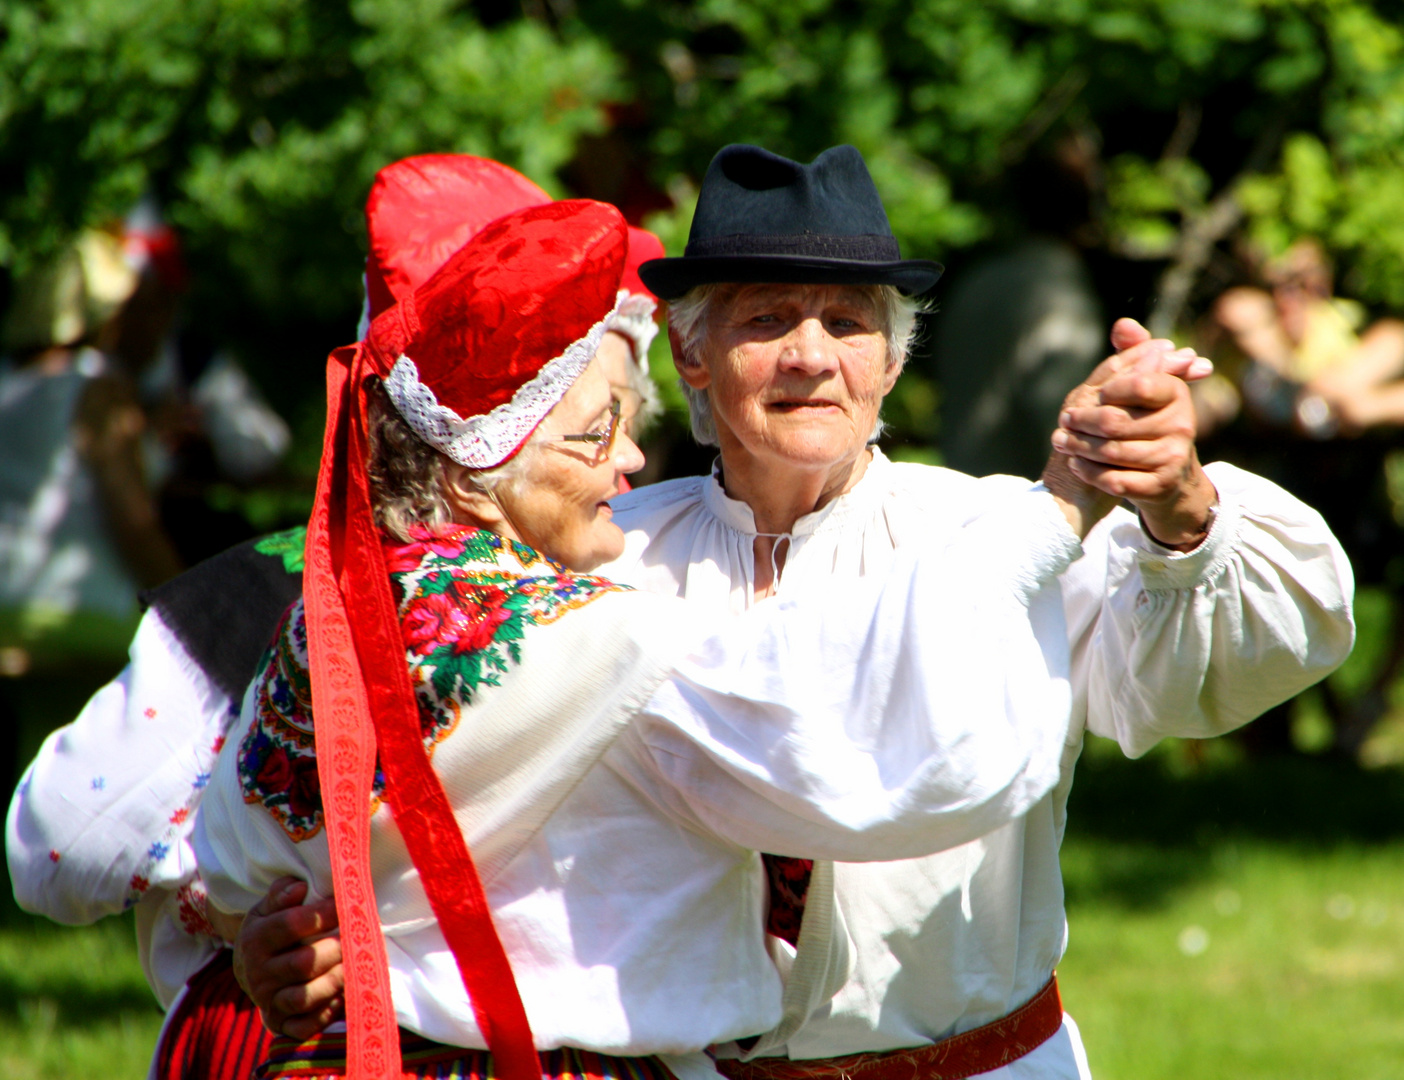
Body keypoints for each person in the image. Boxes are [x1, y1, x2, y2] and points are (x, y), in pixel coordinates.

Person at [240, 145, 1352, 1080]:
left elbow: (1224, 665)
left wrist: (1180, 508)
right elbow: (455, 798)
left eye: (846, 321)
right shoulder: (599, 557)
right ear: (691, 354)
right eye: (769, 318)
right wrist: (306, 937)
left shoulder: (997, 535)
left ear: (889, 361)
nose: (813, 355)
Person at [3, 153, 668, 1080]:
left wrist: (264, 903)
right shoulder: (254, 604)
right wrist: (272, 916)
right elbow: (56, 840)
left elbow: (56, 846)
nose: (627, 452)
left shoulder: (643, 581)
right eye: (598, 411)